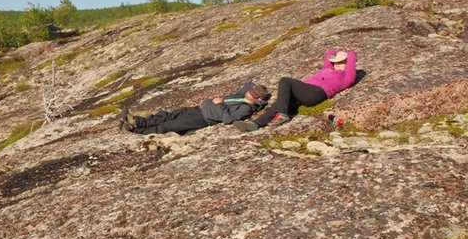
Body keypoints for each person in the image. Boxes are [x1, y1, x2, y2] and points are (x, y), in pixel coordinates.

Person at [233, 49, 357, 132]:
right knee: (281, 102)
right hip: (304, 92)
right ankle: (256, 124)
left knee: (285, 81)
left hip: (317, 93)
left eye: (342, 62)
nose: (337, 64)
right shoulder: (328, 69)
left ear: (348, 64)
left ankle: (283, 115)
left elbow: (352, 55)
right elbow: (329, 52)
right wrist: (337, 53)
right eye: (335, 62)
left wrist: (346, 55)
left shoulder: (346, 77)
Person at [120, 81, 270, 135]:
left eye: (253, 93)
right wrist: (207, 101)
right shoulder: (244, 94)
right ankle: (137, 121)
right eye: (252, 90)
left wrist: (220, 104)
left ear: (258, 99)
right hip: (199, 109)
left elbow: (227, 119)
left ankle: (136, 131)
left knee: (170, 125)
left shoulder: (246, 109)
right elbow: (246, 85)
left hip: (203, 119)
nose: (250, 92)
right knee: (167, 115)